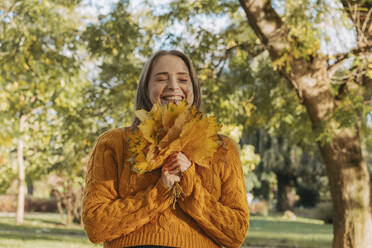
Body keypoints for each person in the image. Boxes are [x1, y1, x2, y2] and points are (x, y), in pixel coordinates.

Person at [82, 50, 249, 248]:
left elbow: (236, 234)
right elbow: (96, 226)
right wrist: (161, 190)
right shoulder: (113, 143)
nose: (173, 86)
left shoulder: (224, 149)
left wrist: (190, 188)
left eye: (182, 79)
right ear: (146, 89)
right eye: (161, 79)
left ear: (193, 88)